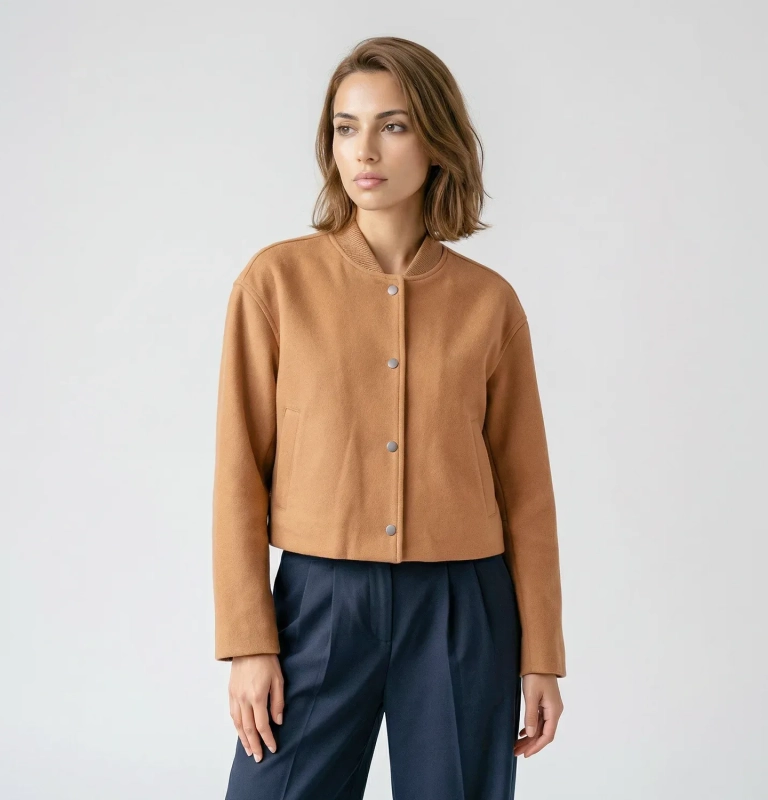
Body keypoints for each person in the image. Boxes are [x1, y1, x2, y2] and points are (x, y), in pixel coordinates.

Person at [212, 35, 566, 800]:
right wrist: (248, 643)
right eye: (346, 127)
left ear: (436, 142)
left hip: (461, 606)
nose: (364, 150)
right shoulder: (276, 283)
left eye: (393, 126)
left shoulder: (489, 303)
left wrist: (541, 655)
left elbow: (526, 491)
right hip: (318, 601)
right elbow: (238, 475)